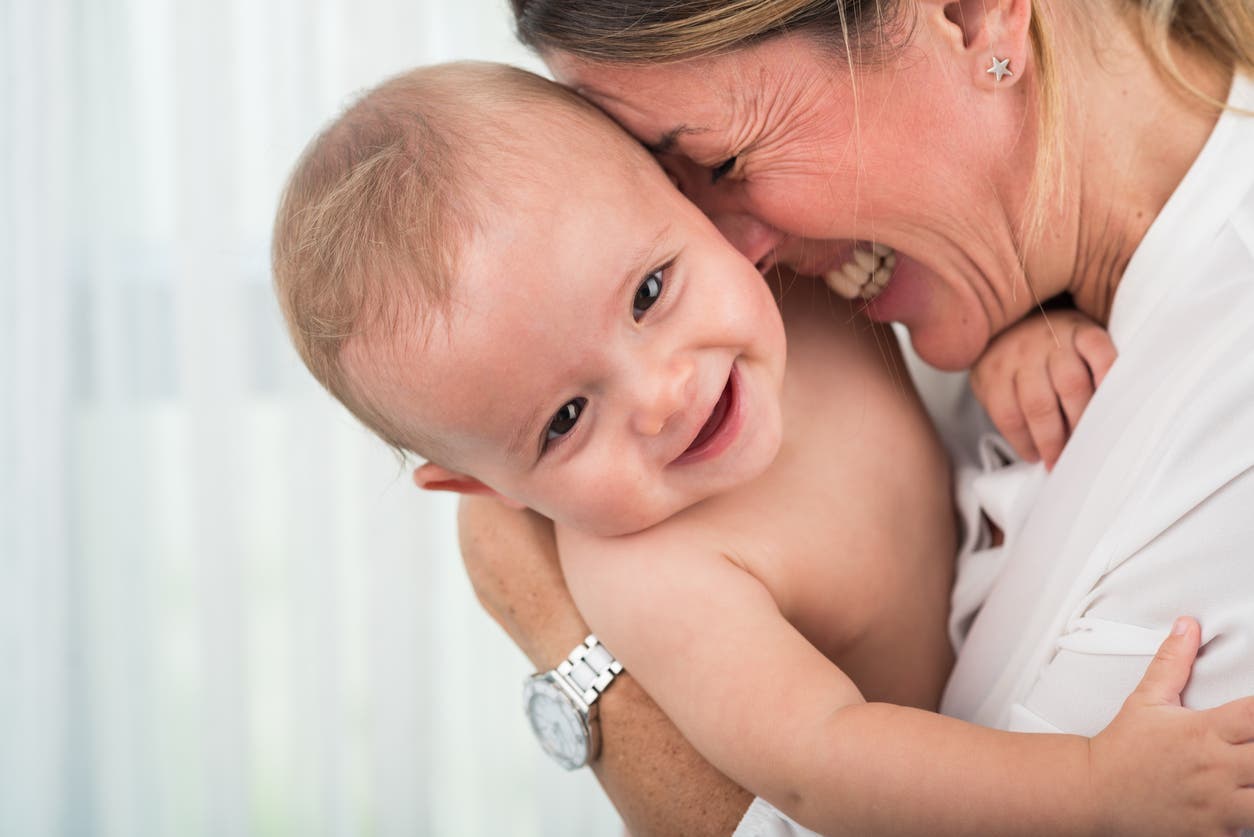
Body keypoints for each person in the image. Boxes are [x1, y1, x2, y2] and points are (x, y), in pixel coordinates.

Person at [271, 61, 1254, 835]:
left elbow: (953, 300)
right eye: (566, 421)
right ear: (478, 483)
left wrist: (1016, 340)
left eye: (650, 292)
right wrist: (1095, 788)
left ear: (703, 213)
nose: (662, 395)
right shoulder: (656, 576)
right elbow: (826, 765)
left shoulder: (802, 294)